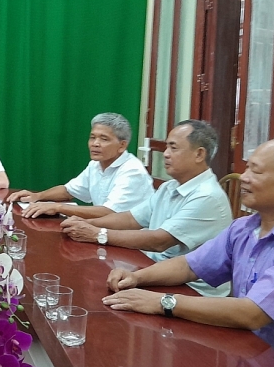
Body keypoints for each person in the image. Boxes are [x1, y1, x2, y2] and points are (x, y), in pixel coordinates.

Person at [102, 138, 274, 367]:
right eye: (247, 168)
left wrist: (163, 302)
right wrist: (137, 278)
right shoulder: (245, 227)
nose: (243, 177)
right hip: (251, 357)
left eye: (256, 171)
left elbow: (253, 314)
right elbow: (189, 266)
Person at [60, 120, 232, 297]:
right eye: (166, 147)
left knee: (96, 291)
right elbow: (130, 218)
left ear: (199, 154)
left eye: (173, 148)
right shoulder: (170, 187)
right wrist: (86, 223)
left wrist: (98, 234)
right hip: (154, 270)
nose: (166, 154)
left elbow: (159, 241)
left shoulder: (207, 196)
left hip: (190, 290)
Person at [8, 113, 152, 217]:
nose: (95, 144)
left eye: (104, 139)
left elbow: (109, 212)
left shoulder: (132, 171)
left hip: (135, 242)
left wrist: (57, 207)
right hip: (106, 232)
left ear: (122, 145)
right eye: (92, 137)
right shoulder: (95, 165)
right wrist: (37, 196)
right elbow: (68, 191)